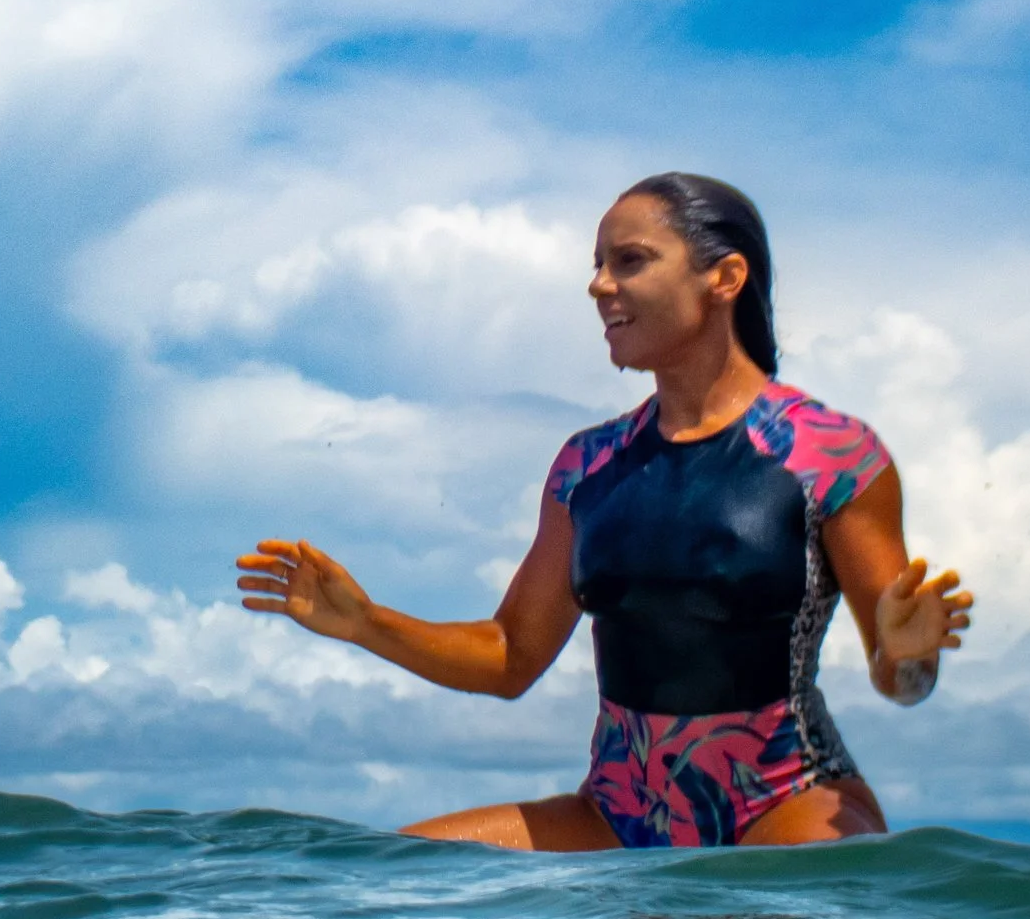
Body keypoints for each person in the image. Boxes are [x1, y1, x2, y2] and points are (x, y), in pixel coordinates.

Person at [234, 173, 972, 850]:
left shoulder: (831, 455)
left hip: (786, 810)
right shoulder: (586, 466)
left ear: (724, 277)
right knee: (384, 879)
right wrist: (365, 621)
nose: (598, 285)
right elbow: (509, 656)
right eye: (596, 263)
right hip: (613, 815)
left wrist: (907, 654)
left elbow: (901, 680)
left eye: (629, 261)